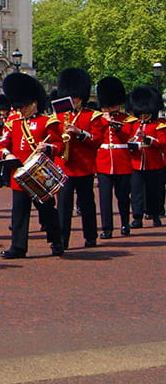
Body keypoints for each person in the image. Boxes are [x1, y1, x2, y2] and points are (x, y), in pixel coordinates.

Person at [0, 72, 64, 259]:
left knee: (47, 211)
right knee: (19, 213)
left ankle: (56, 241)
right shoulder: (14, 123)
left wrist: (48, 147)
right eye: (19, 106)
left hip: (39, 174)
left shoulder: (47, 122)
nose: (21, 110)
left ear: (34, 103)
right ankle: (18, 247)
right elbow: (2, 143)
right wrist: (7, 154)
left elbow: (60, 146)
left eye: (24, 106)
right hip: (20, 174)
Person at [54, 68, 100, 250]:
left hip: (83, 166)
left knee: (87, 203)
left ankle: (90, 236)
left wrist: (79, 133)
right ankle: (62, 240)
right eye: (70, 97)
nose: (73, 100)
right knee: (63, 206)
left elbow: (96, 140)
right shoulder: (58, 116)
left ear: (82, 97)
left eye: (76, 97)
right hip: (64, 167)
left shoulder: (92, 116)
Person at [94, 76, 137, 238]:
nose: (112, 107)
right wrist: (105, 122)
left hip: (122, 162)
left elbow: (127, 136)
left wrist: (115, 125)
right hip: (104, 162)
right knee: (104, 198)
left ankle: (125, 224)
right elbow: (95, 137)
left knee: (123, 196)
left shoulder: (127, 119)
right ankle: (107, 228)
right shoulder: (99, 119)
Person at [129, 86, 165, 227]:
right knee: (136, 192)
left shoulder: (158, 126)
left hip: (153, 163)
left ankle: (155, 215)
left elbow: (162, 142)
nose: (143, 115)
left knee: (153, 191)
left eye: (145, 112)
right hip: (136, 163)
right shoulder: (133, 125)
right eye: (141, 112)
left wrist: (148, 139)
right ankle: (137, 217)